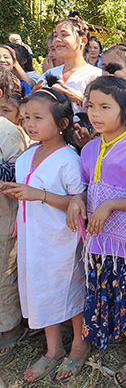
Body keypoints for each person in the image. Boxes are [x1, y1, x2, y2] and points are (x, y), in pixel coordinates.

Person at [66, 76, 126, 388]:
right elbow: (86, 189)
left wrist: (111, 205)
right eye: (91, 106)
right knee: (116, 305)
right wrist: (77, 202)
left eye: (105, 107)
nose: (95, 113)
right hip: (97, 243)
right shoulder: (89, 149)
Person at [0, 88, 89, 383]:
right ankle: (53, 349)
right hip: (32, 237)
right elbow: (27, 192)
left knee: (69, 288)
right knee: (41, 289)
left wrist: (38, 194)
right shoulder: (26, 157)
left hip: (61, 237)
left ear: (62, 124)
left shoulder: (69, 158)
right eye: (26, 117)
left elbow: (78, 202)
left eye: (38, 117)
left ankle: (79, 344)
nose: (29, 124)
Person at [0, 93, 26, 363]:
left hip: (5, 213)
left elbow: (15, 173)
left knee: (4, 267)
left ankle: (11, 326)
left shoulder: (7, 131)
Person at [41, 12, 103, 111]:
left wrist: (79, 99)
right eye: (55, 35)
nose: (57, 39)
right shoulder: (49, 74)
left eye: (64, 35)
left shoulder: (96, 76)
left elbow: (104, 111)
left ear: (83, 41)